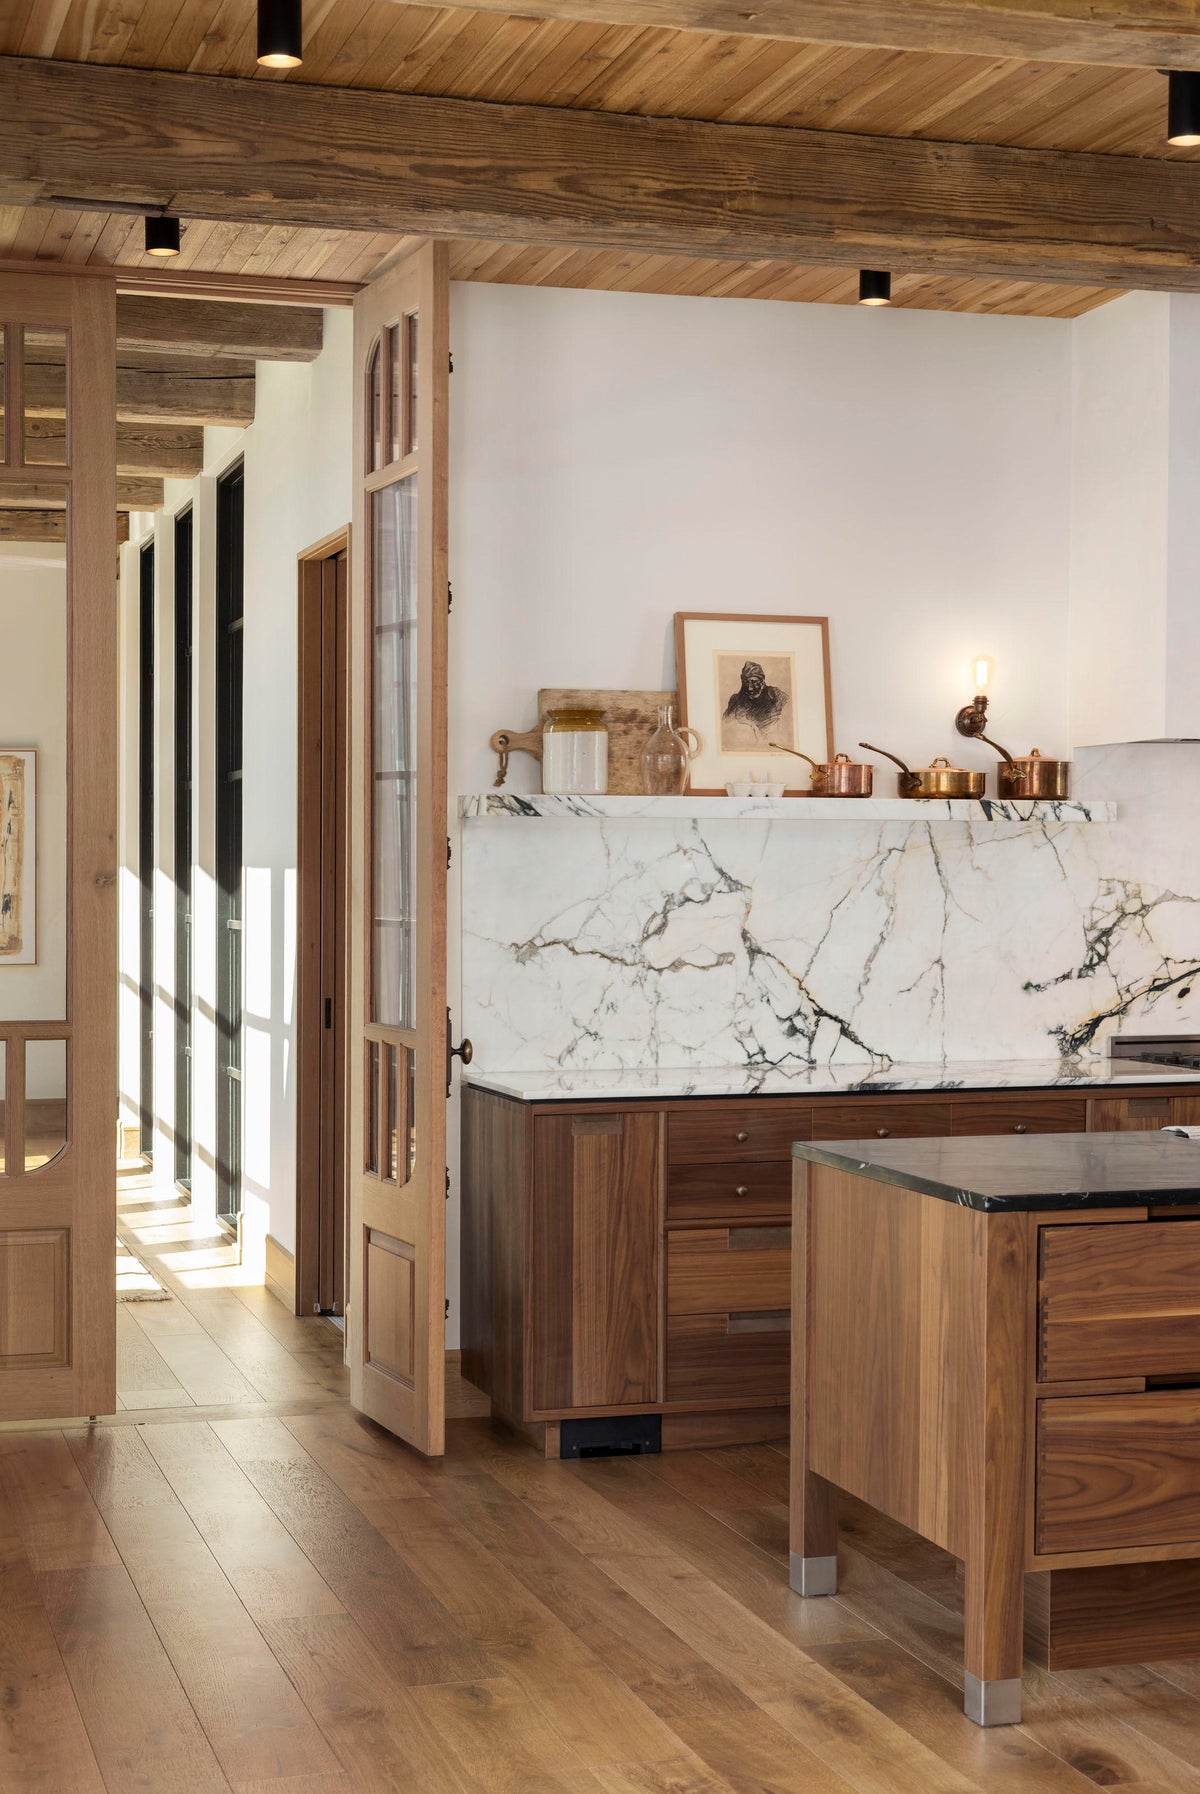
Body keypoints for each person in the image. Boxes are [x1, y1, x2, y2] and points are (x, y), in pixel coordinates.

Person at [722, 660, 788, 741]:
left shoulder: (778, 697)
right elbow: (725, 724)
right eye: (746, 682)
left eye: (754, 682)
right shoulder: (735, 701)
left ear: (762, 682)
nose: (750, 688)